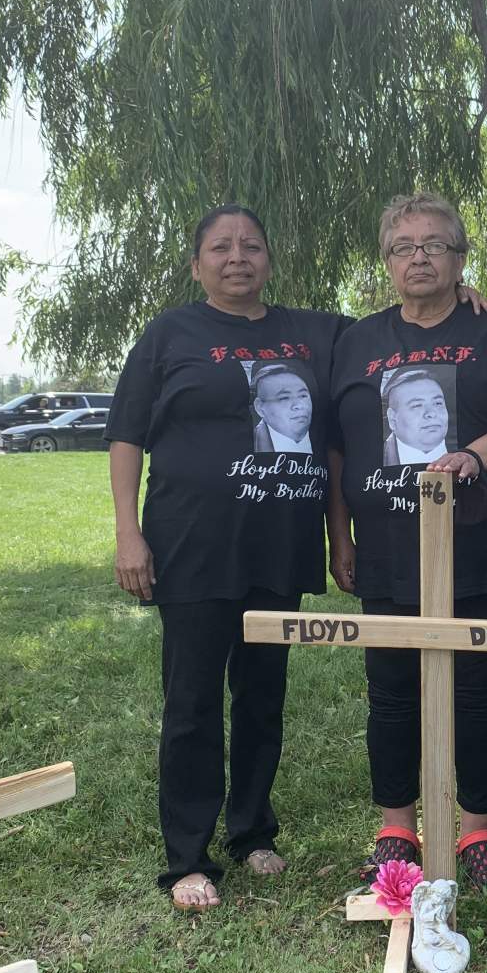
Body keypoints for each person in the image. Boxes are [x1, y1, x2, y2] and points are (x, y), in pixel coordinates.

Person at [105, 204, 348, 910]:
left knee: (263, 695)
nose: (237, 257)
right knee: (192, 702)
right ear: (196, 264)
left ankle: (252, 831)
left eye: (251, 245)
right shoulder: (169, 334)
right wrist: (127, 533)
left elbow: (402, 330)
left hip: (279, 544)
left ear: (269, 259)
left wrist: (462, 293)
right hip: (191, 545)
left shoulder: (315, 333)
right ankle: (188, 857)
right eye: (220, 247)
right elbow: (126, 435)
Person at [329, 192, 487, 887]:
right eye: (404, 246)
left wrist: (474, 454)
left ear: (460, 258)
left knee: (480, 692)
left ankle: (479, 825)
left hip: (485, 549)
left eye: (434, 245)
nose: (418, 257)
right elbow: (336, 446)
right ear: (386, 260)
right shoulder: (356, 341)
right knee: (391, 691)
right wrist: (340, 535)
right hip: (388, 551)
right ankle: (396, 825)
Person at [381, 367, 451, 463]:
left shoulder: (468, 449)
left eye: (438, 403)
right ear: (392, 419)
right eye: (417, 405)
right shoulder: (373, 459)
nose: (431, 413)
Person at [251, 360, 314, 454]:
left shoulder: (324, 436)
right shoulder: (245, 443)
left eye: (303, 396)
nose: (299, 405)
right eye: (284, 398)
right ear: (260, 408)